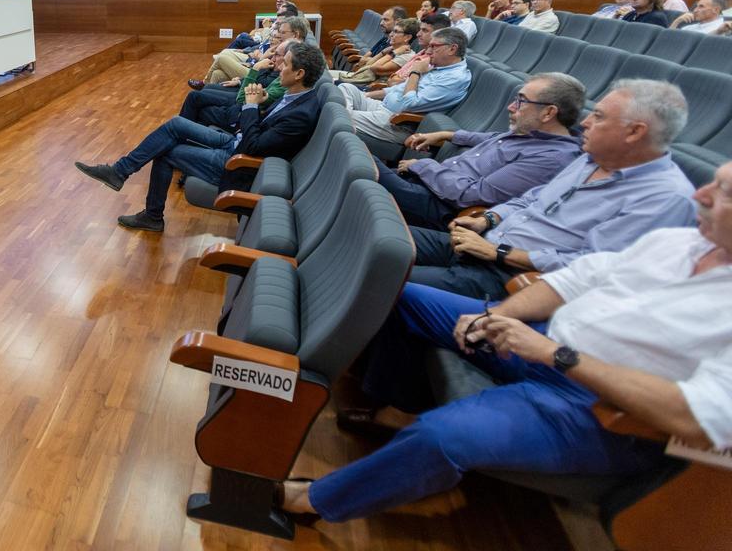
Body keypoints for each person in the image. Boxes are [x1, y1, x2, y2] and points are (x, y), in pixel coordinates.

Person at [281, 160, 732, 525]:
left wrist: (556, 356)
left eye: (724, 192)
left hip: (600, 409)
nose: (701, 194)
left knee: (442, 437)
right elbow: (575, 279)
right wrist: (495, 314)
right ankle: (397, 406)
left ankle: (315, 502)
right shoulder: (680, 242)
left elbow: (696, 417)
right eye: (712, 182)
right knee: (403, 295)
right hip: (539, 343)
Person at [407, 79, 696, 300]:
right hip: (480, 243)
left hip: (511, 276)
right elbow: (533, 199)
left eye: (598, 116)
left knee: (387, 279)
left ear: (635, 132)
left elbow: (590, 267)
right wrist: (489, 219)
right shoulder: (589, 159)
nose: (585, 123)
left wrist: (500, 252)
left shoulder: (665, 198)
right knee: (374, 241)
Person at [74, 43, 327, 233]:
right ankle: (120, 172)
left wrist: (251, 106)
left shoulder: (301, 114)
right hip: (234, 142)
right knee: (174, 125)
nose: (279, 66)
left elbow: (254, 146)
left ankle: (150, 213)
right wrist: (255, 105)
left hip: (236, 162)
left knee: (165, 152)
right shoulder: (294, 96)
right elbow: (259, 131)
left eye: (286, 63)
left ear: (299, 73)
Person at [379, 73, 585, 229]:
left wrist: (423, 166)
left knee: (362, 166)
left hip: (439, 206)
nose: (511, 107)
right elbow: (489, 138)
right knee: (358, 166)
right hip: (429, 184)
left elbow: (472, 195)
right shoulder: (530, 133)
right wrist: (445, 135)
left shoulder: (551, 157)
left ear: (549, 112)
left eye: (521, 101)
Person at [339, 27, 471, 145]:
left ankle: (347, 123)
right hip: (383, 107)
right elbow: (397, 89)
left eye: (433, 46)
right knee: (346, 88)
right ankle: (348, 121)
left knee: (337, 116)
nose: (428, 51)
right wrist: (366, 95)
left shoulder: (454, 78)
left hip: (397, 123)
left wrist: (415, 72)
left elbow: (410, 104)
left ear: (452, 49)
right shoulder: (438, 66)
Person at [179, 39, 297, 132]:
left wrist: (257, 66)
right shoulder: (284, 77)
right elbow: (260, 80)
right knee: (215, 77)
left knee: (195, 98)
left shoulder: (282, 82)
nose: (273, 58)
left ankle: (182, 135)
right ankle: (186, 135)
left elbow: (244, 97)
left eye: (277, 55)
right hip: (244, 104)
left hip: (240, 114)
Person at [194, 14, 307, 87]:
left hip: (256, 79)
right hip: (254, 69)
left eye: (282, 33)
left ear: (296, 34)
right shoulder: (286, 46)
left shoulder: (295, 54)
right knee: (217, 74)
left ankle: (204, 85)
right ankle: (207, 94)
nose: (278, 35)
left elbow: (268, 80)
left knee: (222, 58)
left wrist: (259, 61)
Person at [330, 18, 418, 86]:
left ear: (407, 37)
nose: (391, 35)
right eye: (392, 31)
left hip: (367, 85)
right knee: (325, 75)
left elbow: (374, 68)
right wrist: (383, 52)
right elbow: (367, 65)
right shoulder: (392, 50)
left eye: (396, 32)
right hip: (359, 78)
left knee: (327, 82)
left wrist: (392, 54)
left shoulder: (405, 56)